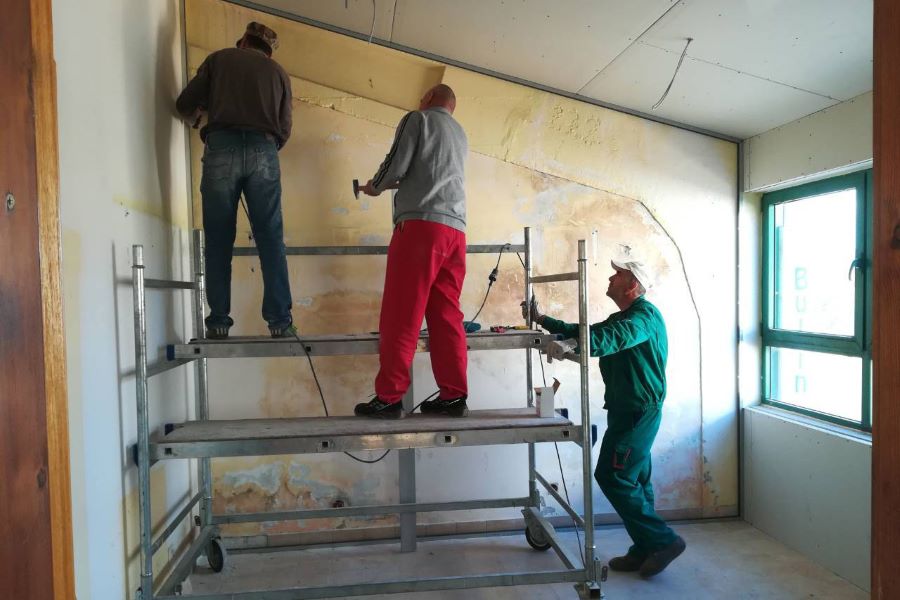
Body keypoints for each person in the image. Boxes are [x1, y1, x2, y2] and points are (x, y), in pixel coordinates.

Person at [523, 256, 686, 577]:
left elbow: (612, 338)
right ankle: (645, 548)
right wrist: (543, 320)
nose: (610, 279)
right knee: (636, 480)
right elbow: (588, 331)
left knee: (614, 477)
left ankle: (664, 541)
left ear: (633, 285)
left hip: (637, 412)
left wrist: (572, 346)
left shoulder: (642, 318)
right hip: (628, 409)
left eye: (618, 275)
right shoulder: (624, 316)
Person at [353, 84, 469, 419]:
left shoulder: (418, 119)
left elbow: (396, 163)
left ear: (429, 98)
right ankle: (453, 396)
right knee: (447, 315)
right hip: (456, 231)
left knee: (402, 312)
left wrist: (375, 186)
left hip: (421, 227)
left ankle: (389, 397)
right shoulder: (460, 134)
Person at [176, 22, 294, 339]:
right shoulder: (279, 73)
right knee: (270, 238)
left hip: (221, 147)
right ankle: (280, 321)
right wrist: (263, 147)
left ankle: (218, 320)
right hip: (263, 150)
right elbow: (284, 128)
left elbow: (184, 103)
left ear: (243, 41)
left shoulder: (219, 59)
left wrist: (199, 116)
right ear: (269, 52)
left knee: (218, 239)